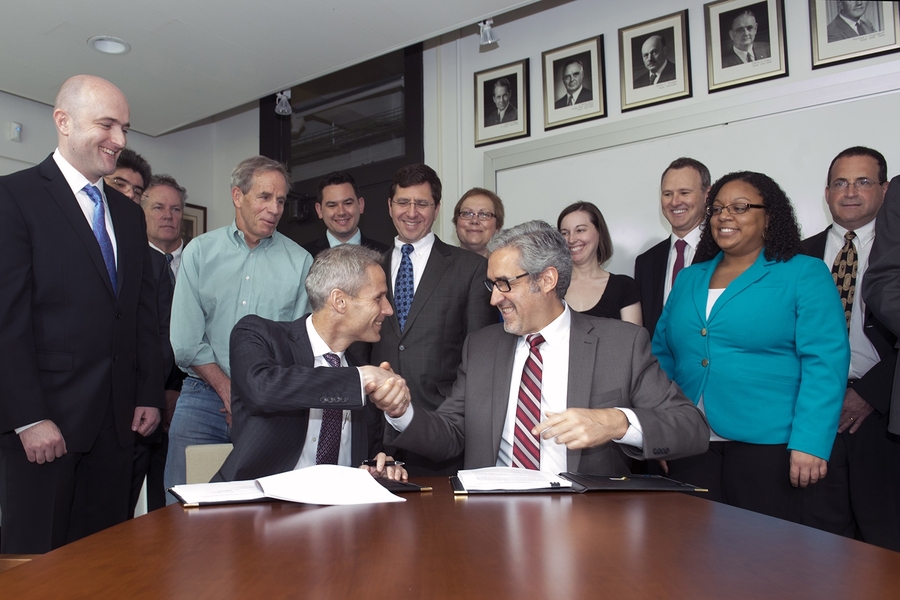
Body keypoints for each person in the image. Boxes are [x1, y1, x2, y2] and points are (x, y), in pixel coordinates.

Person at [381, 221, 708, 473]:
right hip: (491, 520)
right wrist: (401, 411)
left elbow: (690, 428)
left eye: (504, 284)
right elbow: (450, 432)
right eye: (491, 285)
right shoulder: (481, 347)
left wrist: (617, 422)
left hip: (586, 526)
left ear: (548, 280)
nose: (494, 298)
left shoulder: (621, 344)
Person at [0, 75, 162, 553]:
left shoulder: (129, 214)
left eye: (126, 129)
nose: (119, 141)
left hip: (117, 429)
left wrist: (148, 392)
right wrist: (28, 418)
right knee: (36, 566)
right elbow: (7, 320)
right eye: (107, 125)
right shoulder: (13, 198)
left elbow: (140, 314)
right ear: (63, 121)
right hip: (45, 429)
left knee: (104, 563)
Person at [653, 171, 850, 524]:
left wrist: (811, 442)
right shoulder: (689, 278)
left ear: (769, 217)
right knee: (689, 553)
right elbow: (660, 358)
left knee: (764, 558)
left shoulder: (804, 273)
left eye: (740, 207)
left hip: (772, 446)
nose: (725, 216)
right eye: (717, 209)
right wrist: (662, 433)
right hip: (692, 442)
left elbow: (825, 362)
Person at [165, 156, 313, 503]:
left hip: (267, 408)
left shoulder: (300, 262)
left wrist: (252, 396)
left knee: (260, 513)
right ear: (237, 196)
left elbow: (296, 350)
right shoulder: (200, 252)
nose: (274, 208)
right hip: (201, 399)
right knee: (182, 510)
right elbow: (185, 341)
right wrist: (228, 391)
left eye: (280, 200)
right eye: (264, 197)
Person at [213, 245, 408, 483]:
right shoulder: (259, 335)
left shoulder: (362, 373)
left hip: (337, 512)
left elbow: (370, 457)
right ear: (340, 301)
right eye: (378, 297)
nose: (388, 309)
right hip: (259, 508)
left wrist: (380, 466)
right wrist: (360, 379)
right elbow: (261, 390)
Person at [799, 146, 900, 551]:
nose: (851, 192)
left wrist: (869, 394)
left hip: (883, 414)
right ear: (826, 194)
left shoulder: (895, 254)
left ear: (886, 189)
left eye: (863, 182)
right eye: (840, 183)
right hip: (814, 418)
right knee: (823, 542)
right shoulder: (797, 256)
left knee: (885, 537)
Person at [371, 164, 495, 476]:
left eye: (422, 203)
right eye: (403, 202)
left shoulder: (469, 268)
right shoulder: (369, 267)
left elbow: (478, 355)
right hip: (377, 432)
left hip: (442, 429)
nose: (411, 212)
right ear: (389, 206)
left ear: (437, 208)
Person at [131, 174, 188, 512]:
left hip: (192, 400)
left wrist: (181, 391)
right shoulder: (129, 263)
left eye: (175, 208)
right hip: (139, 405)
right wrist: (154, 392)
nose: (168, 215)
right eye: (158, 207)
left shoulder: (201, 261)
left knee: (179, 505)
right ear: (143, 211)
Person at [634, 157, 710, 337]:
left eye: (684, 192)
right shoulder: (646, 262)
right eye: (667, 194)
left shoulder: (724, 253)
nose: (675, 202)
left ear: (707, 195)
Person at [558, 202, 641, 324]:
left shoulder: (624, 287)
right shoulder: (550, 287)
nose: (571, 239)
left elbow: (635, 341)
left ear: (599, 233)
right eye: (565, 233)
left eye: (580, 230)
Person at [302, 171, 389, 258]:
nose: (341, 212)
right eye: (332, 205)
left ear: (360, 205)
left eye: (348, 203)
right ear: (319, 210)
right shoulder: (305, 257)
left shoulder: (386, 255)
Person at [452, 187, 505, 257]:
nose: (474, 220)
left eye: (484, 214)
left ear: (497, 226)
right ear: (456, 223)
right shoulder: (439, 265)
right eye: (467, 213)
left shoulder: (509, 266)